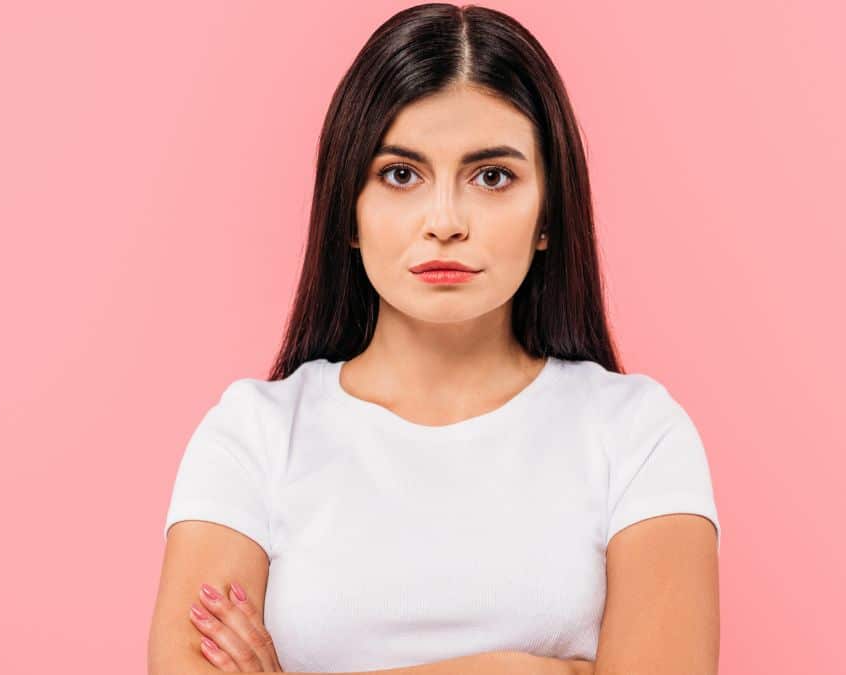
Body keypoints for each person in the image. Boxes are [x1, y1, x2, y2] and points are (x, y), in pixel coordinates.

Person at [149, 4, 721, 675]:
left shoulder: (638, 434)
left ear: (549, 215)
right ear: (349, 211)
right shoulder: (253, 437)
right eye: (400, 174)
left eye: (492, 176)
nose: (445, 220)